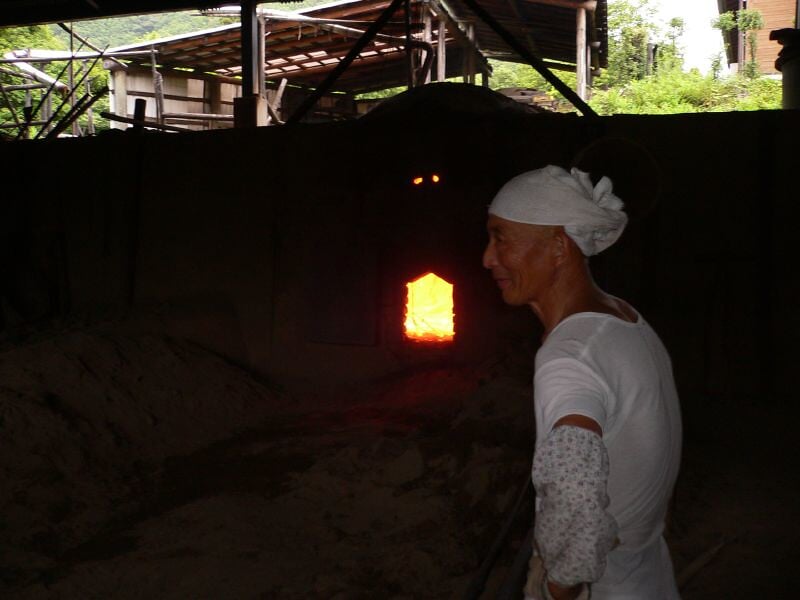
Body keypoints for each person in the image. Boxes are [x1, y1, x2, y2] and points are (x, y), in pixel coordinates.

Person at [482, 165, 682, 600]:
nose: (488, 258)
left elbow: (574, 488)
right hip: (647, 573)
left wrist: (559, 586)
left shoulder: (570, 358)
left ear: (558, 248)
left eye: (501, 238)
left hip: (605, 587)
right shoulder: (624, 320)